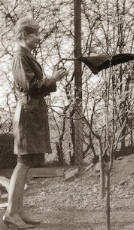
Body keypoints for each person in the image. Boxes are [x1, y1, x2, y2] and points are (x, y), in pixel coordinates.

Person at [3, 17, 68, 229]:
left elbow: (36, 86)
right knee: (23, 162)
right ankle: (12, 212)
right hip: (27, 115)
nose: (38, 38)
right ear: (24, 35)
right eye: (34, 35)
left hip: (33, 112)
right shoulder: (20, 57)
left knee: (27, 162)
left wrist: (50, 79)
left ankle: (19, 211)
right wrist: (53, 79)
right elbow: (31, 86)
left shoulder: (27, 56)